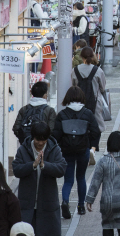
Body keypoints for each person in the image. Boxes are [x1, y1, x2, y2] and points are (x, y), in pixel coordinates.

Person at [52, 86, 101, 218]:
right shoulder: (87, 113)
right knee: (81, 178)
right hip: (82, 149)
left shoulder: (62, 114)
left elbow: (55, 135)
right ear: (81, 98)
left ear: (67, 98)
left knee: (68, 180)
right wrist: (93, 146)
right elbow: (96, 131)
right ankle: (80, 206)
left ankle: (65, 201)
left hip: (66, 151)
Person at [12, 122, 67, 236]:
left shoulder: (54, 149)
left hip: (48, 203)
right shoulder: (23, 149)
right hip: (27, 204)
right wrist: (32, 165)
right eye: (38, 139)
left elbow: (61, 168)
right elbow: (16, 169)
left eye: (44, 140)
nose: (41, 143)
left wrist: (44, 166)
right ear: (33, 137)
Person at [71, 47, 106, 133]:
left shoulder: (74, 71)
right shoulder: (98, 71)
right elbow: (102, 88)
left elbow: (73, 86)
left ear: (81, 57)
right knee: (96, 127)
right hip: (95, 102)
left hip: (78, 102)